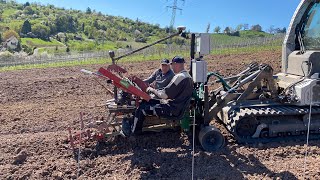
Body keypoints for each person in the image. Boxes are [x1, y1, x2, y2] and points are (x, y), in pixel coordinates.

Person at [121, 56, 193, 136]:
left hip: (172, 109)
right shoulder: (187, 76)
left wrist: (152, 90)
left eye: (172, 65)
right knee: (147, 101)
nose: (171, 67)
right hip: (176, 106)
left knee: (141, 108)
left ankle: (133, 132)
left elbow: (164, 95)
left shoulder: (179, 77)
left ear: (176, 64)